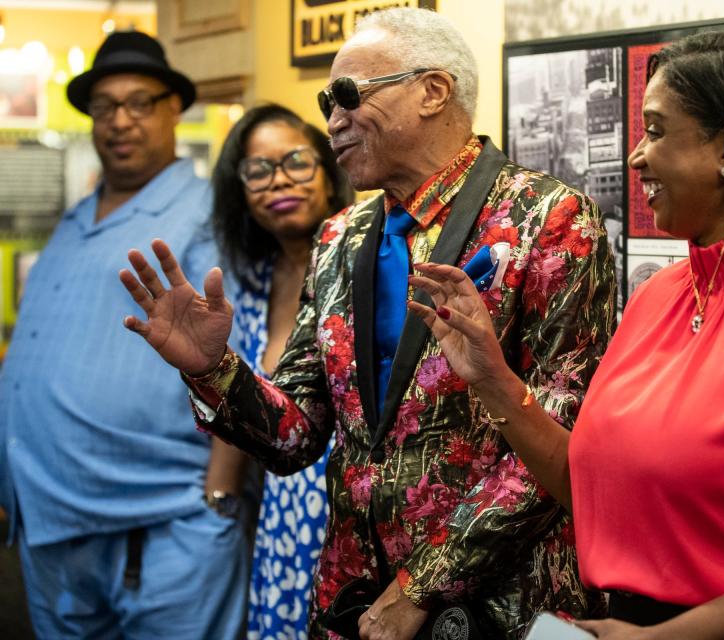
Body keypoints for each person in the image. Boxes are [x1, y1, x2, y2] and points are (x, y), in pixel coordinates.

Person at [118, 7, 615, 640]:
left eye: (349, 96)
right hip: (353, 604)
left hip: (499, 606)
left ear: (434, 91)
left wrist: (420, 586)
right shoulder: (339, 236)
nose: (332, 121)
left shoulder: (552, 219)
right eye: (328, 101)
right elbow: (294, 437)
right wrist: (213, 370)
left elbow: (559, 445)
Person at [408, 32, 724, 639]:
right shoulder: (660, 296)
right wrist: (494, 381)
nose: (635, 157)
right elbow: (592, 488)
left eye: (655, 130)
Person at [0, 31, 248, 638]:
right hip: (51, 523)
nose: (120, 120)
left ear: (173, 108)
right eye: (106, 106)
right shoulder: (75, 217)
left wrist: (218, 499)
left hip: (162, 525)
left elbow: (241, 355)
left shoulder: (206, 210)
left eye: (140, 102)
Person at [209, 103, 352, 640]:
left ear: (330, 165)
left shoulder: (370, 257)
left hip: (350, 516)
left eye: (296, 161)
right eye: (258, 171)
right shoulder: (252, 282)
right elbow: (239, 398)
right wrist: (218, 504)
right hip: (278, 515)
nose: (279, 182)